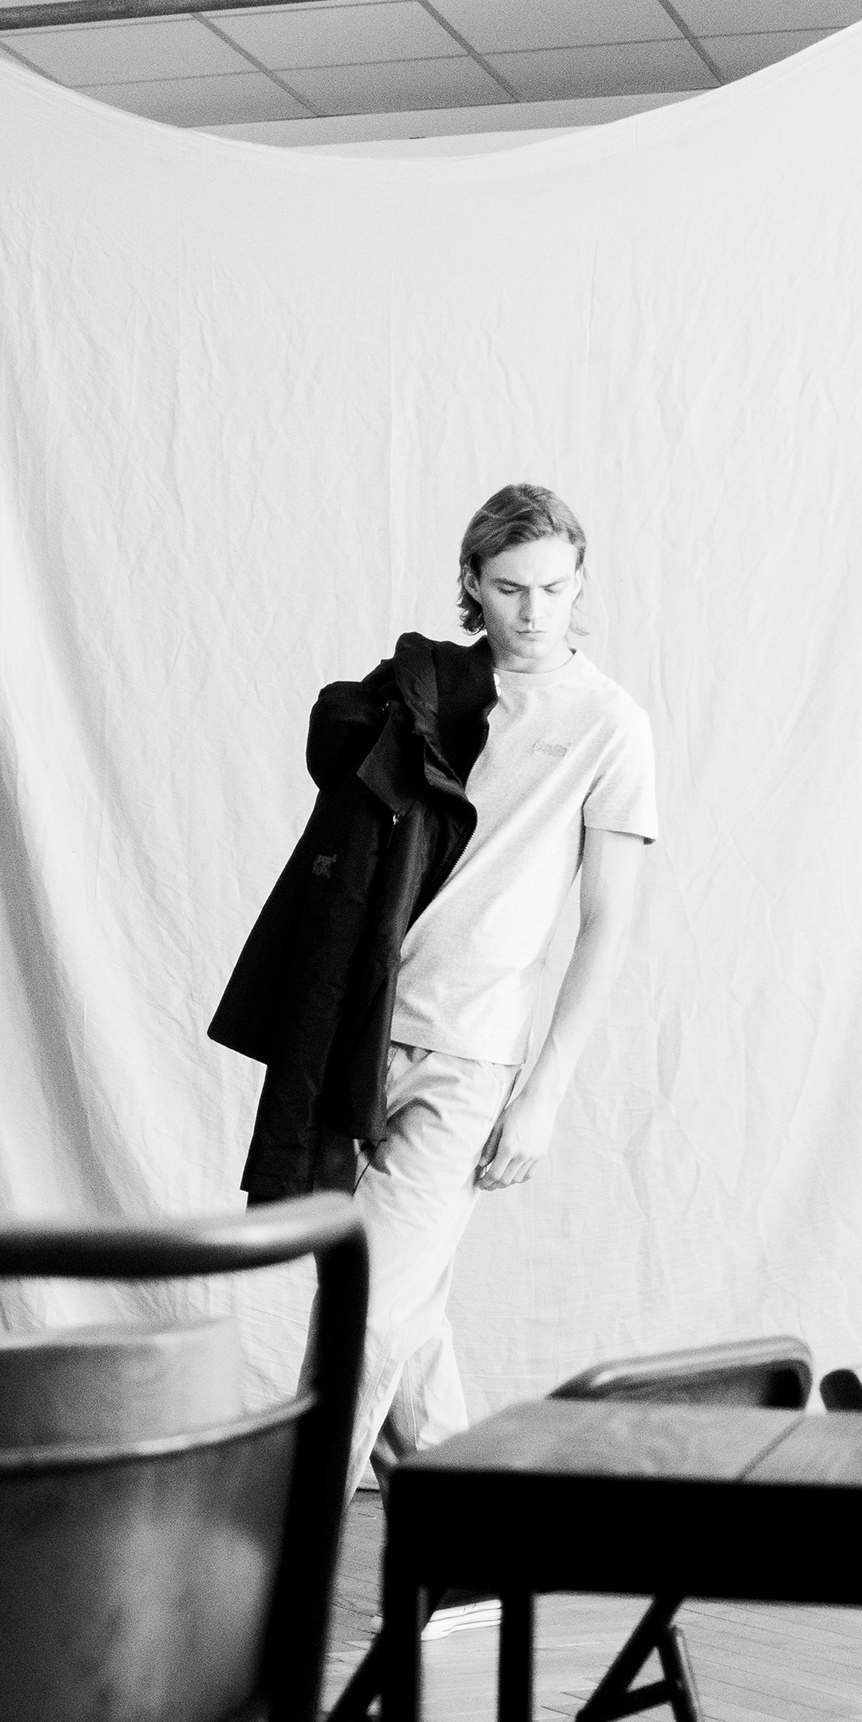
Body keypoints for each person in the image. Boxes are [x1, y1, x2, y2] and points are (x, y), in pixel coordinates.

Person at [212, 484, 656, 1498]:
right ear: (472, 583)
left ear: (581, 583)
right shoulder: (427, 695)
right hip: (360, 1028)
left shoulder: (610, 724)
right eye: (510, 588)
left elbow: (609, 921)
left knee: (365, 1305)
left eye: (554, 587)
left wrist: (544, 1091)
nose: (534, 612)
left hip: (471, 1054)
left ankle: (280, 1539)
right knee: (402, 1318)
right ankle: (473, 1538)